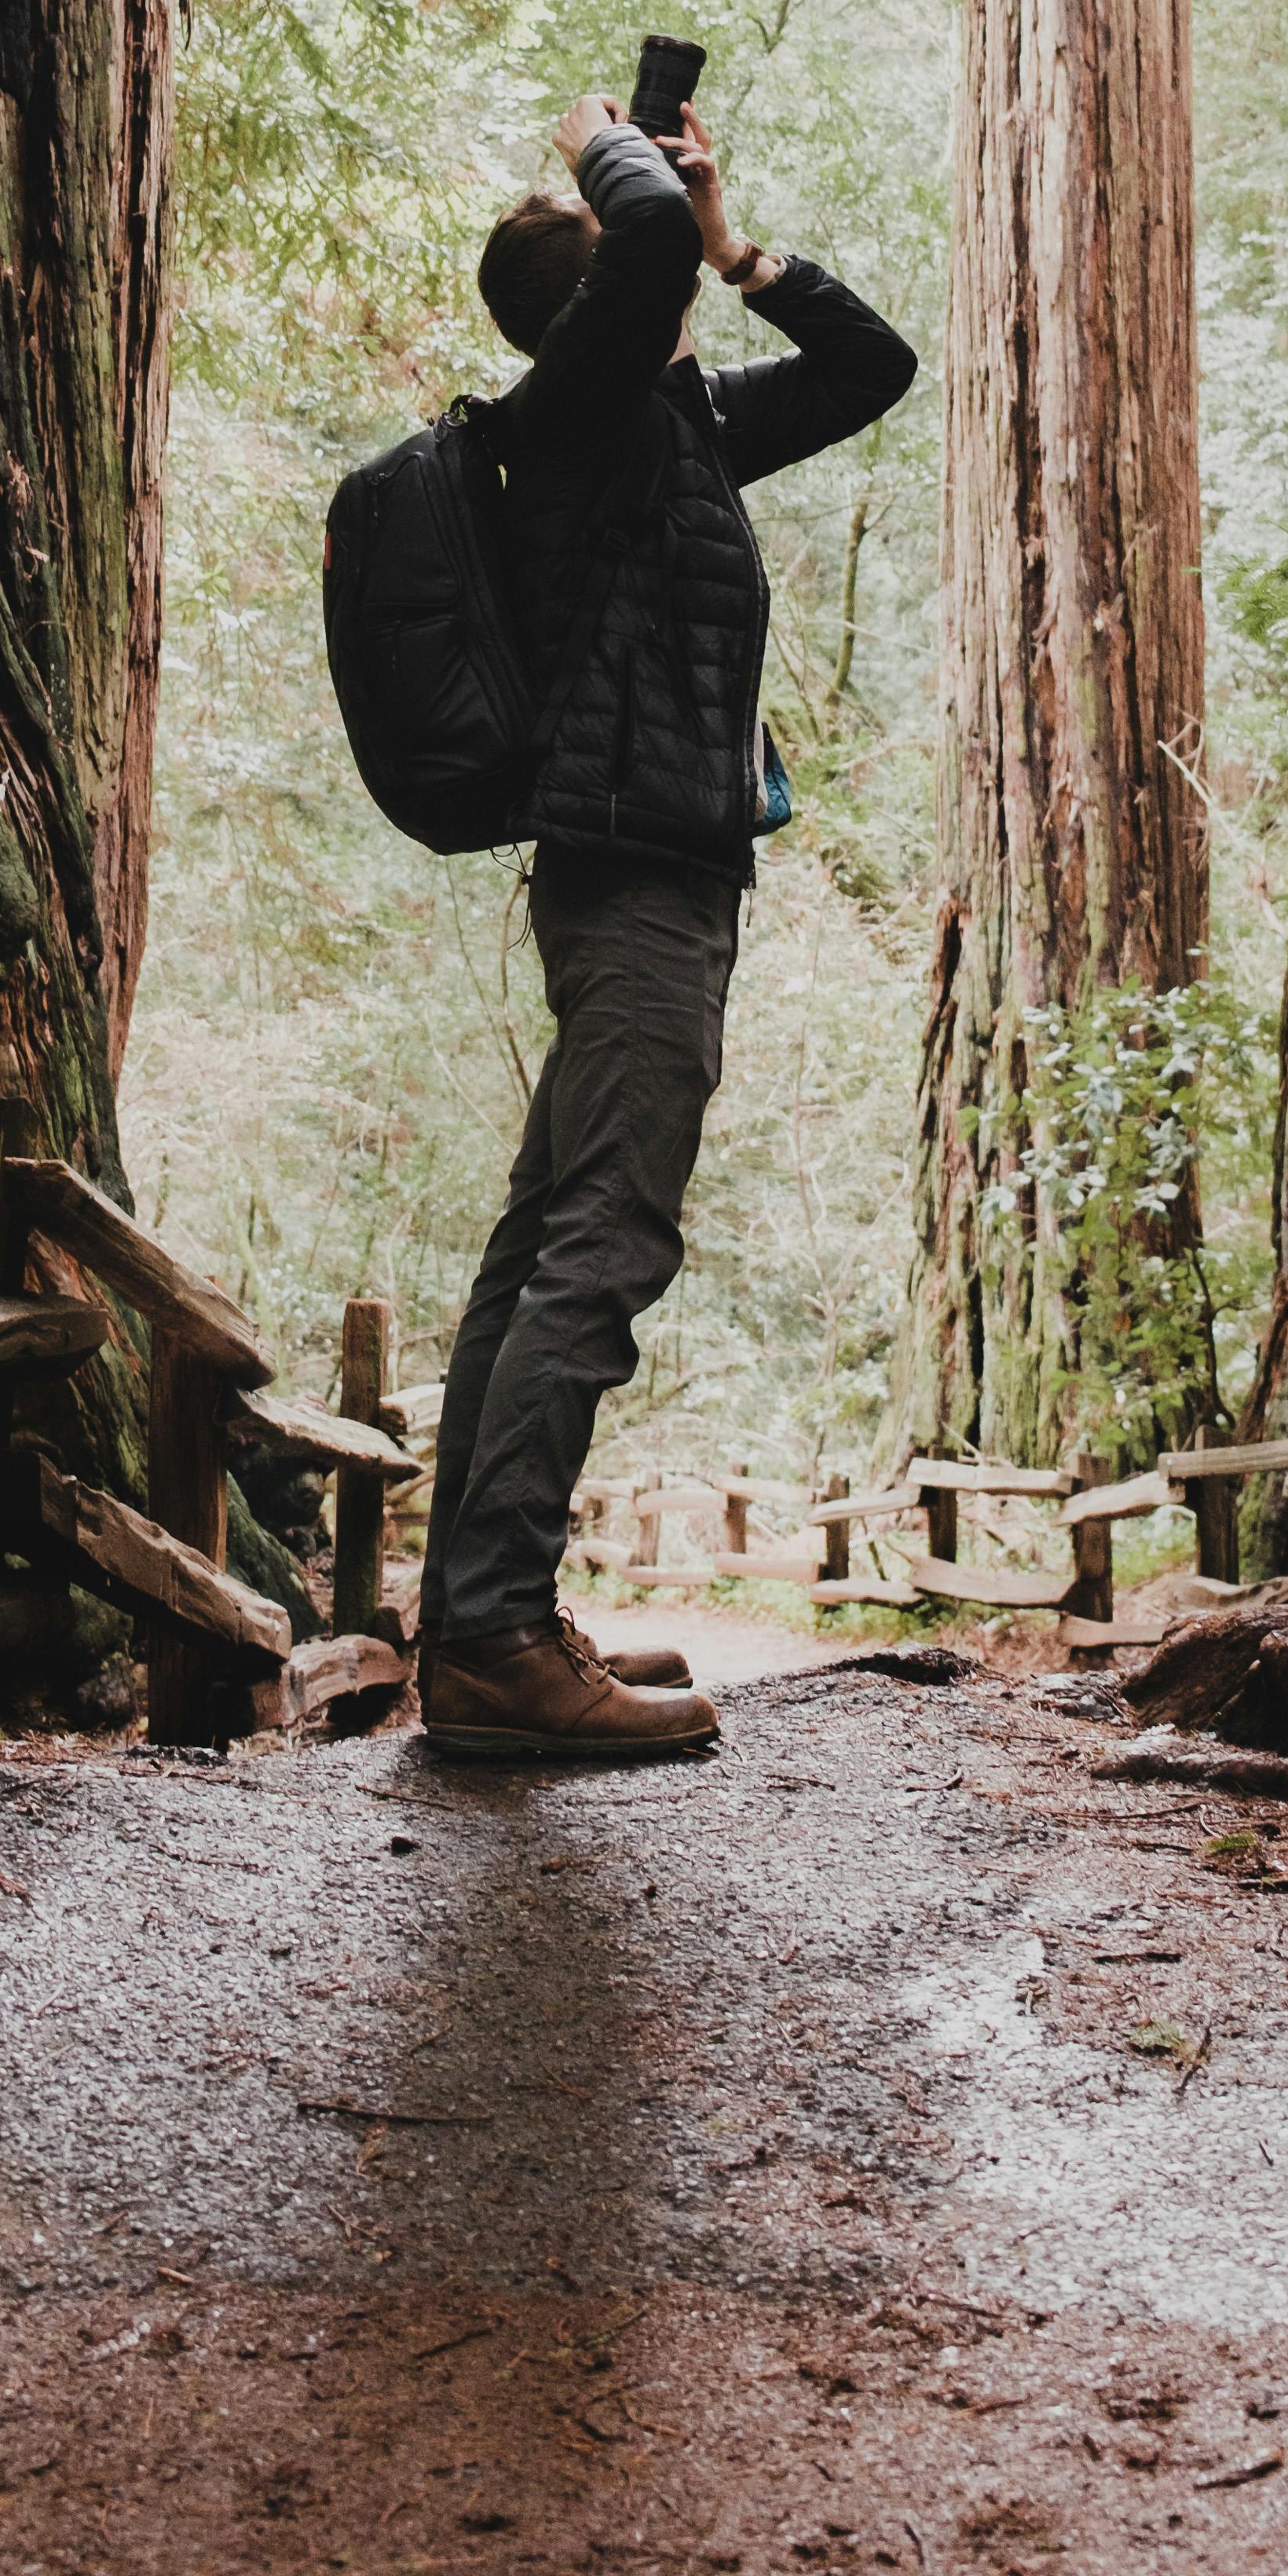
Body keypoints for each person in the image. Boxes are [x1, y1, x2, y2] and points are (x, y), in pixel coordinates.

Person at [416, 94, 917, 1762]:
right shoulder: (570, 418)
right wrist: (603, 147)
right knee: (605, 1243)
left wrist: (738, 243)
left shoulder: (670, 428)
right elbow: (629, 247)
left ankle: (477, 1621)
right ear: (601, 311)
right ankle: (491, 1636)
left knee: (541, 1239)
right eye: (657, 282)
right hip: (629, 878)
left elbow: (870, 369)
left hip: (656, 869)